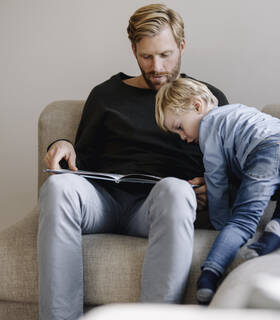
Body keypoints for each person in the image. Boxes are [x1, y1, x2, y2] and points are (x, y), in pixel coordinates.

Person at [38, 4, 228, 319]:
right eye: (146, 56)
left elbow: (227, 164)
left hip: (157, 207)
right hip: (103, 202)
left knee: (176, 190)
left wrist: (214, 187)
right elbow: (80, 159)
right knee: (58, 188)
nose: (156, 67)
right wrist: (62, 143)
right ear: (133, 50)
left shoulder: (207, 98)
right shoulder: (105, 95)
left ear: (182, 46)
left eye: (165, 55)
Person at [155, 78, 280, 304]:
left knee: (242, 220)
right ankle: (273, 234)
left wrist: (220, 223)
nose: (182, 137)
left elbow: (216, 180)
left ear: (197, 106)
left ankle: (209, 275)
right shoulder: (239, 112)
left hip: (269, 149)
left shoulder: (209, 125)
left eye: (179, 127)